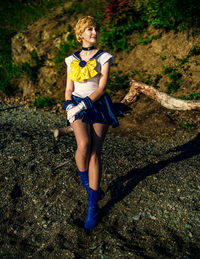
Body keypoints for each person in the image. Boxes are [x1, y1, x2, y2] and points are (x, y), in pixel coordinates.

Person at [62, 16, 119, 229]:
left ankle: (92, 206)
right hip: (75, 104)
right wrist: (69, 105)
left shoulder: (104, 57)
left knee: (95, 152)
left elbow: (102, 88)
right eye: (89, 29)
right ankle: (89, 186)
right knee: (83, 145)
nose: (94, 32)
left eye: (95, 29)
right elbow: (68, 88)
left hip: (98, 106)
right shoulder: (71, 60)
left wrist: (83, 105)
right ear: (80, 34)